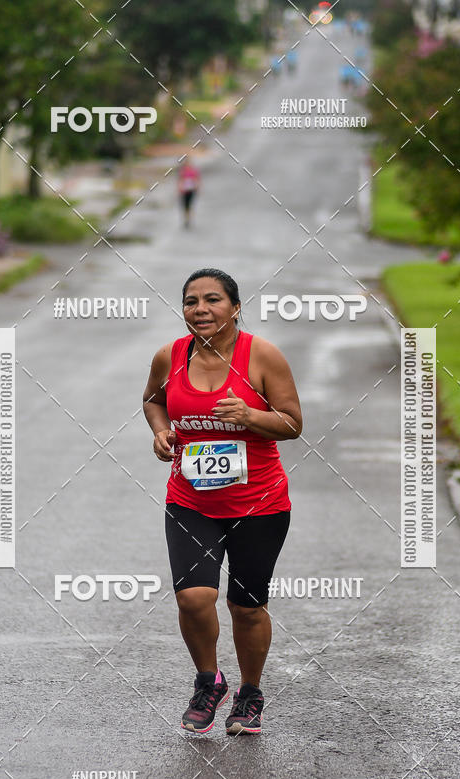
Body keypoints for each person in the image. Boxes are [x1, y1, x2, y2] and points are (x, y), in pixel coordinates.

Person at [142, 268, 303, 735]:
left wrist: (251, 415)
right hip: (190, 500)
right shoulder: (170, 356)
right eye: (191, 301)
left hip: (260, 504)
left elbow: (293, 423)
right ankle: (208, 682)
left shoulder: (263, 356)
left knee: (246, 606)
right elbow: (152, 400)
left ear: (235, 307)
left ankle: (249, 694)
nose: (201, 309)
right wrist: (160, 432)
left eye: (213, 300)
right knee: (194, 598)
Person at [177, 161, 200, 228]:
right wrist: (179, 188)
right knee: (185, 205)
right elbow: (180, 181)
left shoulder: (193, 171)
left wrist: (197, 187)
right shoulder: (182, 172)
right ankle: (186, 218)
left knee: (189, 205)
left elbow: (196, 180)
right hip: (184, 191)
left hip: (191, 190)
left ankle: (188, 218)